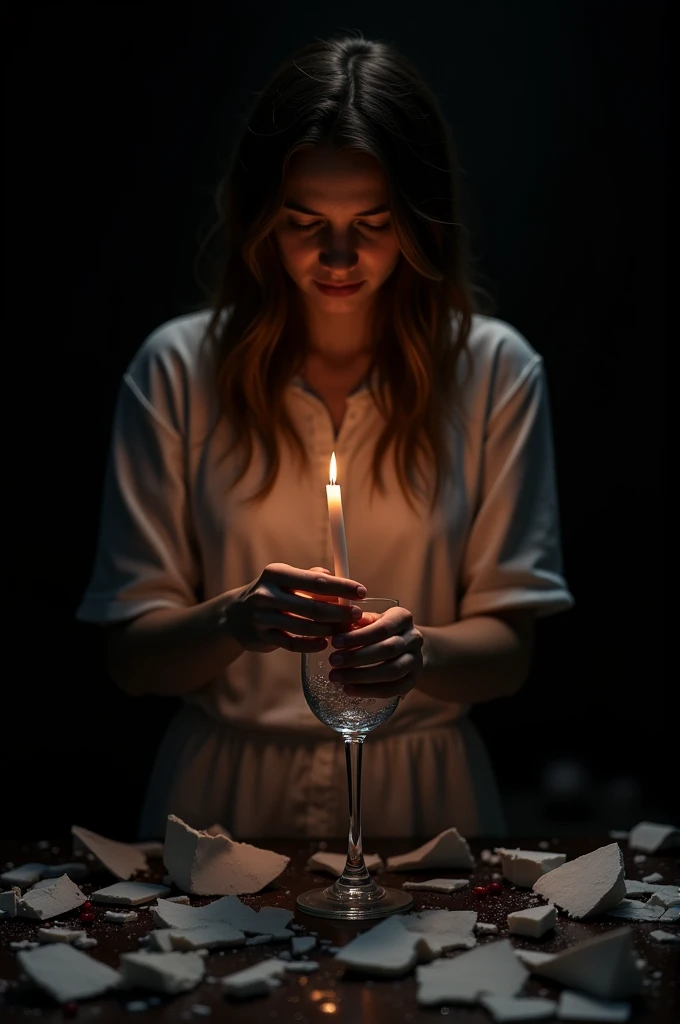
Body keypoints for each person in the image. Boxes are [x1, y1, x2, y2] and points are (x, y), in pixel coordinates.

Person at [76, 32, 574, 841]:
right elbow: (132, 659)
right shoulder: (177, 370)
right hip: (217, 808)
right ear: (259, 222)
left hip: (422, 802)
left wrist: (423, 654)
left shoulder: (494, 372)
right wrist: (234, 620)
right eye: (304, 221)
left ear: (419, 223)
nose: (338, 255)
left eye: (372, 223)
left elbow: (510, 652)